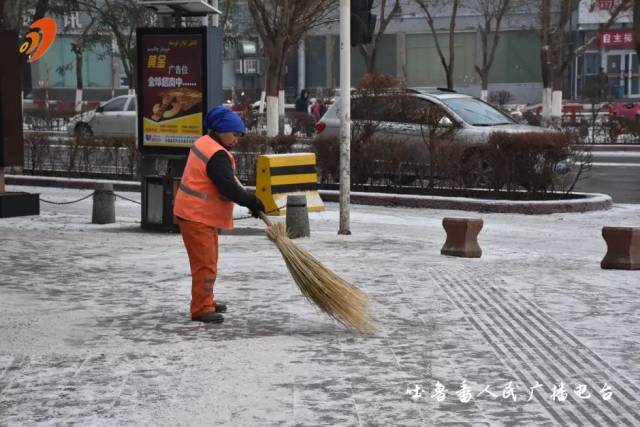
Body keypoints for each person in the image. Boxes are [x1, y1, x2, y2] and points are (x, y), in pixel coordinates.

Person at [173, 106, 265, 323]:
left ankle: (207, 299)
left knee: (209, 260)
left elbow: (227, 184)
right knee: (204, 263)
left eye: (239, 135)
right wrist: (251, 201)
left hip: (198, 214)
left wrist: (249, 202)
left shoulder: (207, 144)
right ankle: (201, 308)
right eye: (234, 134)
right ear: (221, 131)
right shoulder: (216, 156)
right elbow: (228, 187)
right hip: (196, 215)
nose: (236, 139)